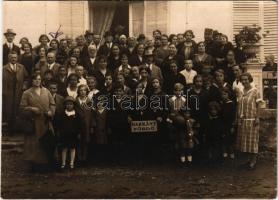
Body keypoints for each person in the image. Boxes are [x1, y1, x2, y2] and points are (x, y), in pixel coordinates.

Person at [19, 74, 55, 172]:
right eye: (35, 79)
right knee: (34, 144)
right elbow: (22, 108)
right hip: (34, 123)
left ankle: (46, 165)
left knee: (46, 143)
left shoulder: (46, 91)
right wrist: (31, 109)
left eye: (39, 79)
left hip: (46, 122)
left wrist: (51, 112)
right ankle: (34, 165)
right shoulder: (27, 93)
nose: (37, 81)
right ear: (32, 81)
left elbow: (52, 104)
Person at [236, 73, 263, 170]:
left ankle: (253, 161)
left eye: (246, 79)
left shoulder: (255, 91)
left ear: (250, 79)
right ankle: (248, 160)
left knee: (253, 141)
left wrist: (257, 117)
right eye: (242, 80)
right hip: (243, 120)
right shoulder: (241, 91)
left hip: (252, 119)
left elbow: (259, 105)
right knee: (245, 141)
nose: (244, 81)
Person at [3, 51, 28, 133]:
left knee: (18, 110)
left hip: (19, 92)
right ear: (9, 58)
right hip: (8, 93)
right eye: (12, 57)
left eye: (15, 57)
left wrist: (24, 85)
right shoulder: (4, 68)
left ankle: (18, 129)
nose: (14, 59)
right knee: (9, 110)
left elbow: (27, 78)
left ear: (17, 58)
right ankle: (10, 130)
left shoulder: (21, 67)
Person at [55, 96, 82, 170]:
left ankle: (71, 163)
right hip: (64, 134)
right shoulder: (62, 114)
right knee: (64, 148)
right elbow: (59, 124)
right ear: (65, 105)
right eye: (67, 104)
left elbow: (79, 125)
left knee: (72, 148)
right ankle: (63, 163)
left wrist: (79, 133)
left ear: (73, 105)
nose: (69, 106)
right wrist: (59, 132)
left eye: (71, 104)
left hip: (73, 134)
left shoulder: (76, 114)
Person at [75, 84, 93, 163]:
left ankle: (84, 158)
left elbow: (92, 115)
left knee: (86, 141)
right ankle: (79, 158)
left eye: (84, 90)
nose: (82, 92)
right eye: (81, 90)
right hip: (78, 124)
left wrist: (92, 126)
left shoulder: (89, 101)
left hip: (87, 124)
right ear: (78, 91)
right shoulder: (75, 101)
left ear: (86, 91)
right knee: (78, 141)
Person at [220, 88, 236, 160]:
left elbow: (233, 115)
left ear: (228, 95)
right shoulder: (222, 104)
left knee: (230, 140)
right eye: (222, 94)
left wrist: (233, 126)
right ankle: (224, 154)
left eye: (225, 94)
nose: (223, 96)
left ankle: (231, 153)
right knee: (223, 139)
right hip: (223, 124)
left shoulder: (231, 104)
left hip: (229, 124)